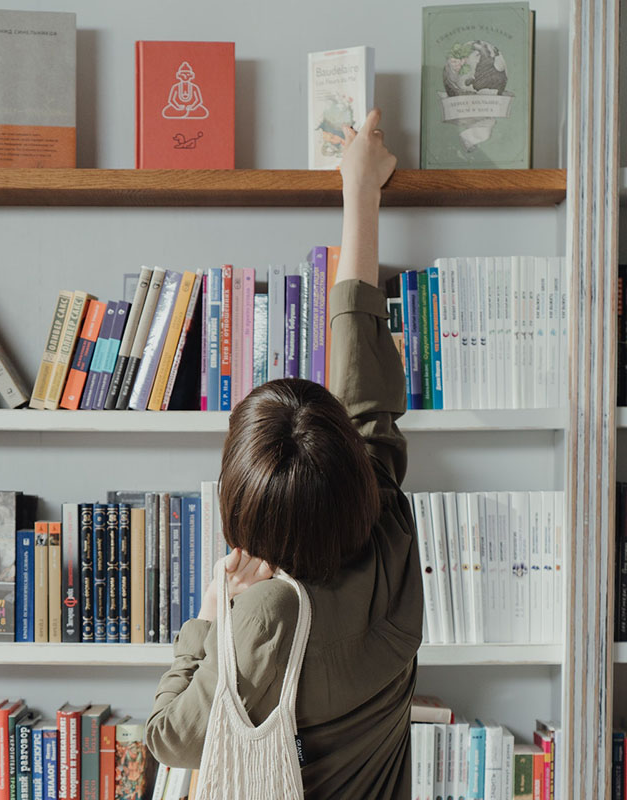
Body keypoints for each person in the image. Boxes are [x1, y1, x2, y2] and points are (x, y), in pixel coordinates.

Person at [145, 109, 423, 799]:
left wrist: (214, 614)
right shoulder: (392, 531)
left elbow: (167, 736)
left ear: (242, 514)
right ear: (351, 477)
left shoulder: (264, 614)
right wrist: (361, 192)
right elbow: (363, 371)